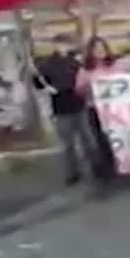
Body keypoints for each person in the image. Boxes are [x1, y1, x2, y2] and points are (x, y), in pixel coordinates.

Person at [32, 43, 99, 186]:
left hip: (78, 105)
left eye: (65, 45)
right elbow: (39, 82)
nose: (64, 48)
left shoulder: (74, 62)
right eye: (61, 45)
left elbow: (82, 80)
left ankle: (96, 168)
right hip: (61, 108)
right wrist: (44, 87)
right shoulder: (47, 64)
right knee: (68, 144)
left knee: (88, 140)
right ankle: (72, 172)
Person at [76, 37, 121, 181]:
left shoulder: (114, 65)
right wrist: (89, 86)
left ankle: (120, 164)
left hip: (115, 108)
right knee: (101, 139)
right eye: (97, 49)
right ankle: (107, 170)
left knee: (116, 136)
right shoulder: (85, 70)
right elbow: (79, 90)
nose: (100, 51)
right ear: (91, 51)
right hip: (95, 108)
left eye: (102, 48)